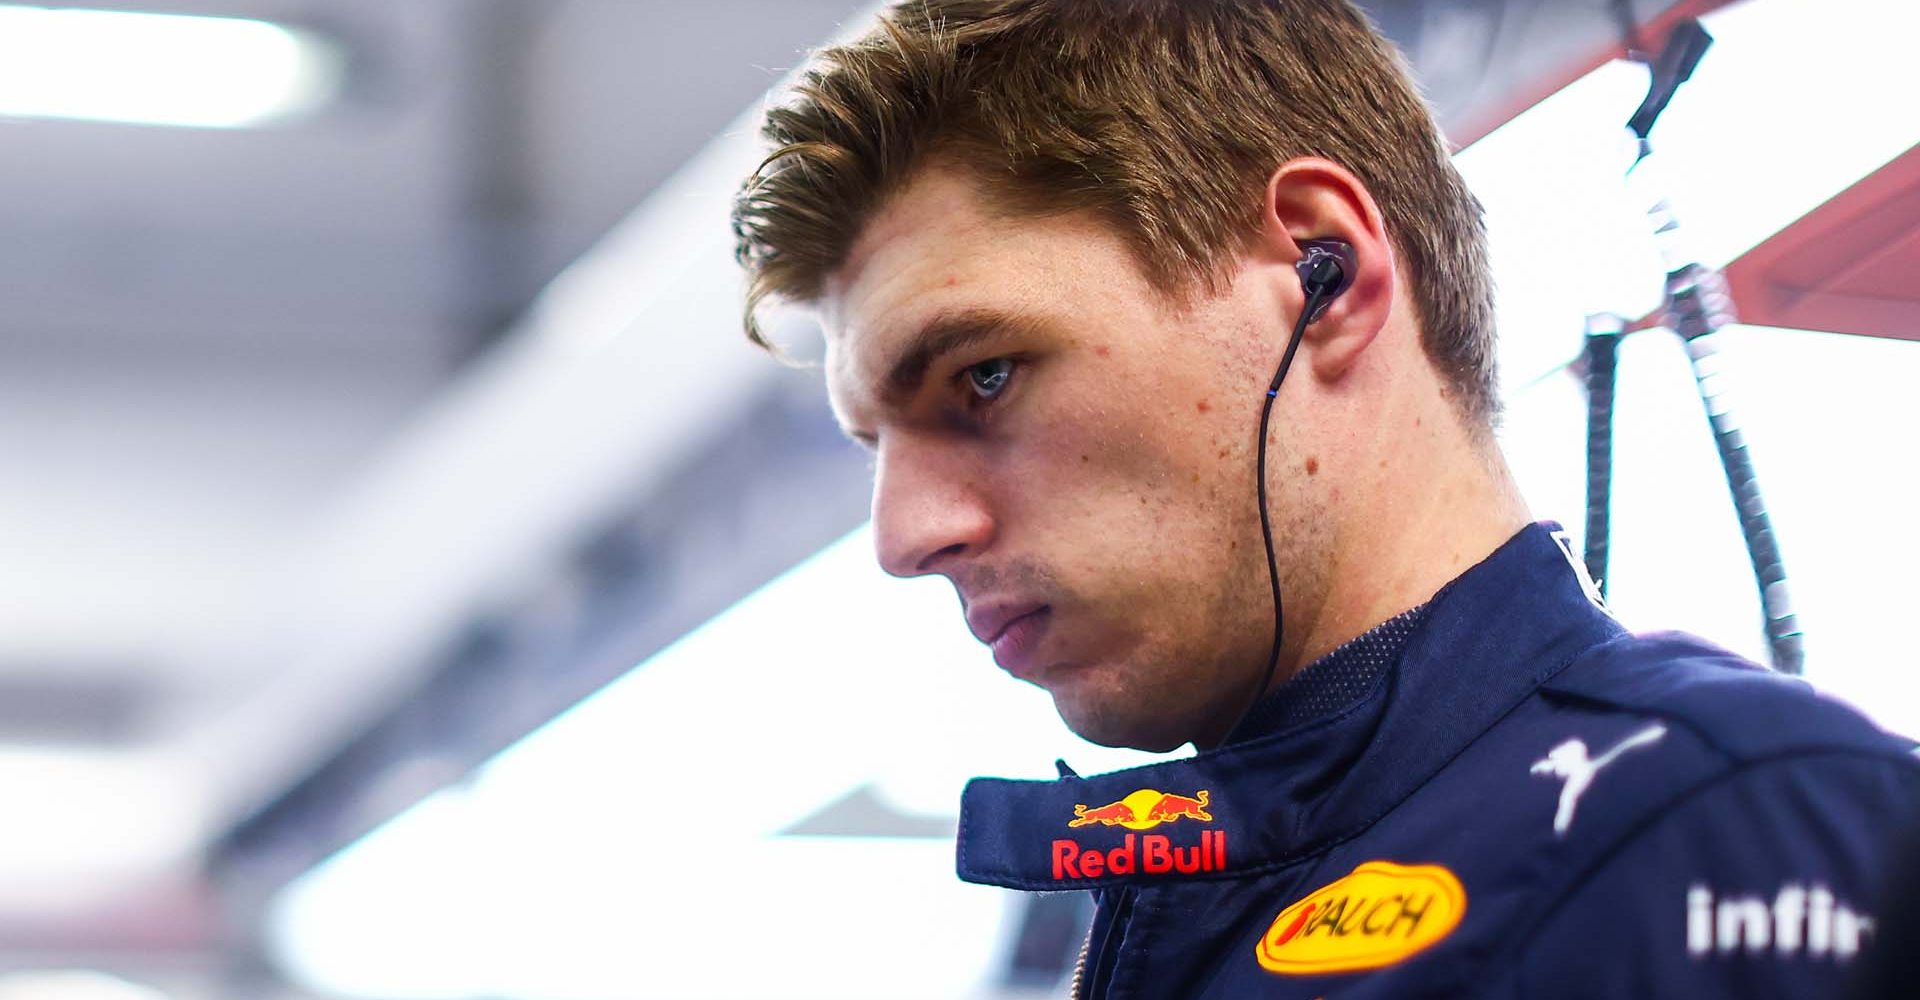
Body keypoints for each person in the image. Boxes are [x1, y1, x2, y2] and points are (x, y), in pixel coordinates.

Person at [726, 1, 1920, 996]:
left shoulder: (1743, 832)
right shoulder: (1189, 895)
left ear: (1324, 275)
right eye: (875, 441)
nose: (905, 537)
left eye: (982, 376)